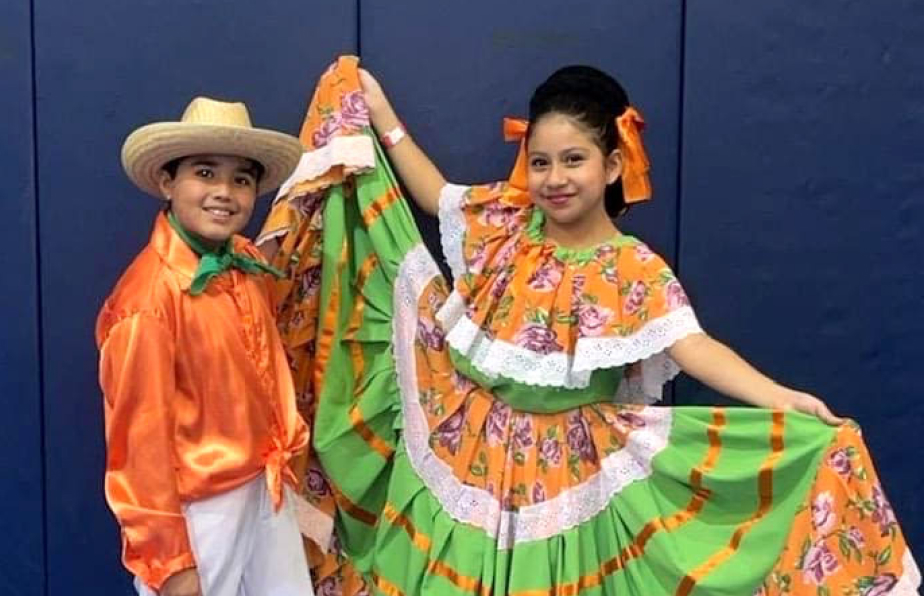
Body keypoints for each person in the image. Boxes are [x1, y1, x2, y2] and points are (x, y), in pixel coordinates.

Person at [260, 57, 920, 595]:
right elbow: (435, 197)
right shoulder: (509, 226)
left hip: (569, 470)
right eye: (541, 161)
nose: (554, 178)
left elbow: (692, 347)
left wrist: (781, 398)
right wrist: (382, 120)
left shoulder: (631, 268)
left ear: (612, 165)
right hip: (473, 451)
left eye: (573, 160)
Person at [97, 96, 314, 596]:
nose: (225, 192)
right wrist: (171, 562)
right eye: (205, 172)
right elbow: (137, 447)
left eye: (241, 179)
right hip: (200, 510)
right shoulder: (147, 302)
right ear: (167, 183)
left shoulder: (242, 260)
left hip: (265, 484)